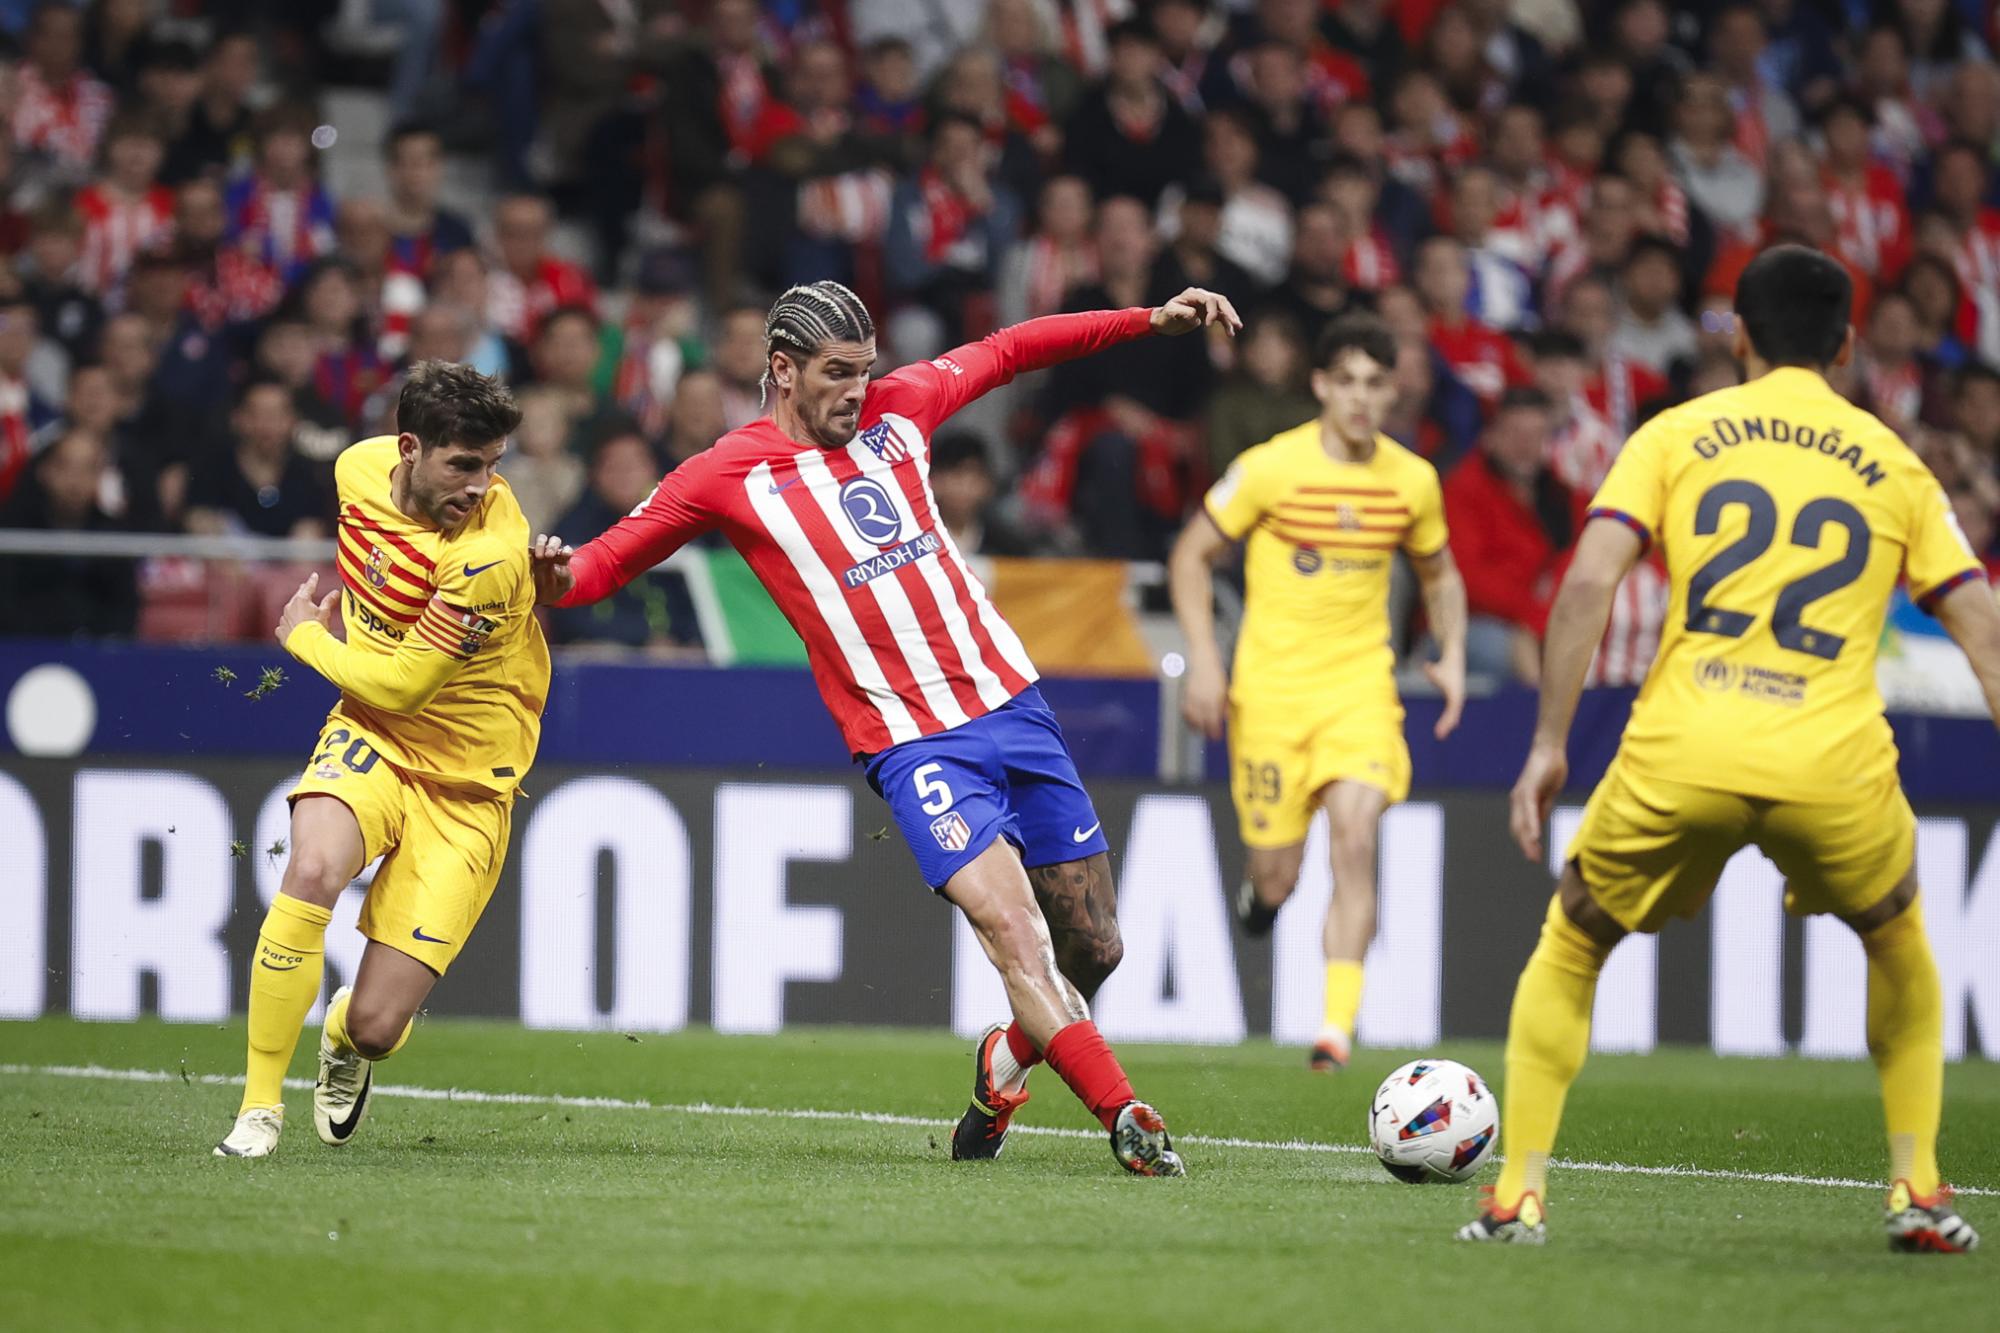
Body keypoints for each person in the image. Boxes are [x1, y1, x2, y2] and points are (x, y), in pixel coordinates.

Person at [532, 279, 1243, 1174]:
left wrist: (1146, 320)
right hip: (914, 743)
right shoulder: (726, 473)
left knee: (1095, 947)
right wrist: (554, 574)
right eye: (837, 372)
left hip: (1011, 702)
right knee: (1014, 930)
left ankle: (1004, 1061)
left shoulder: (901, 409)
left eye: (865, 370)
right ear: (782, 369)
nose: (857, 390)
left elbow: (1013, 348)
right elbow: (599, 567)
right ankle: (1127, 1116)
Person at [1462, 245, 1991, 1251]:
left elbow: (1588, 580)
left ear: (1738, 336)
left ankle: (1515, 1197)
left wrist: (1547, 744)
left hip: (1684, 745)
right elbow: (1981, 630)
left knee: (1572, 942)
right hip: (1831, 761)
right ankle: (1918, 1190)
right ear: (1845, 345)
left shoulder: (1677, 433)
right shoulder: (1894, 462)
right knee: (1897, 941)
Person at [214, 362, 540, 1159]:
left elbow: (403, 683)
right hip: (372, 738)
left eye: (493, 465)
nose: (481, 485)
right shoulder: (356, 470)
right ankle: (258, 1110)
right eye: (463, 464)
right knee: (311, 868)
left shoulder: (490, 555)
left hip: (466, 784)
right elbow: (384, 699)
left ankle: (344, 1039)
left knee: (377, 1026)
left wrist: (304, 636)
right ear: (408, 449)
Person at [1167, 312, 1467, 1070]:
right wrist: (1204, 659)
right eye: (1349, 382)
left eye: (1376, 383)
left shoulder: (1412, 479)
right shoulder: (1271, 468)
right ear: (1322, 387)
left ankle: (1335, 1029)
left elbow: (1439, 573)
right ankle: (1262, 898)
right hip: (1270, 698)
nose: (1362, 398)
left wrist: (1454, 652)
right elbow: (1192, 554)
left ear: (1393, 391)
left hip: (1360, 690)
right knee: (1279, 874)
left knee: (1356, 836)